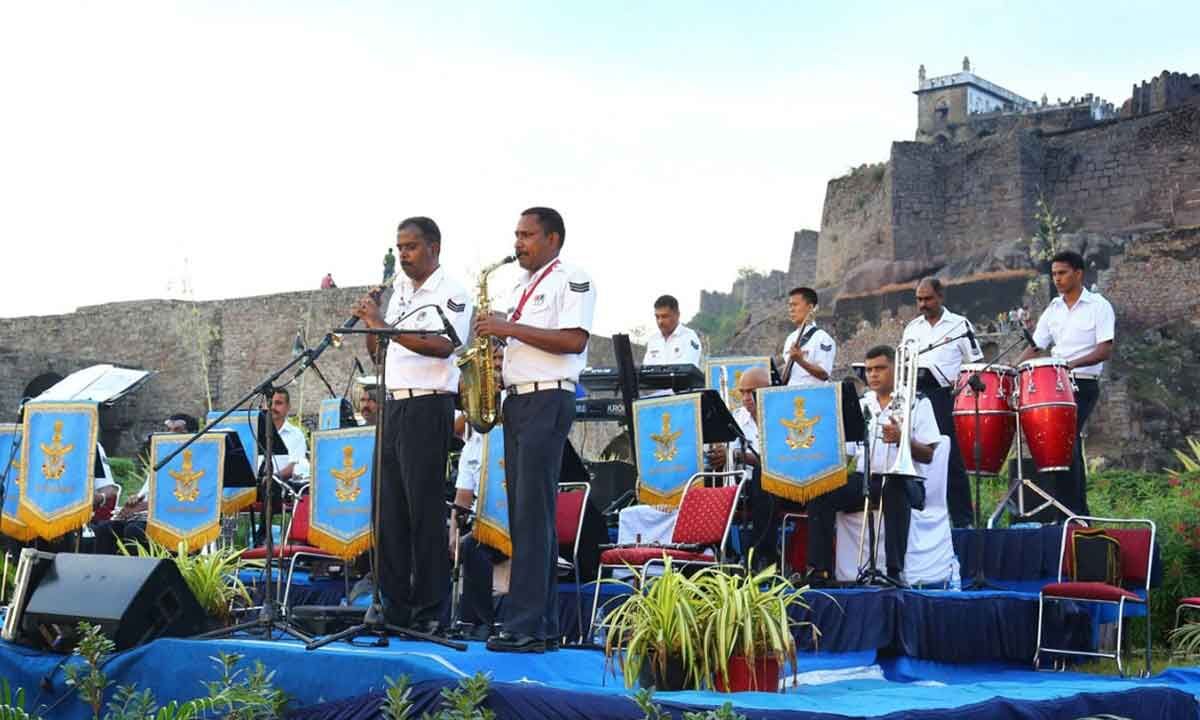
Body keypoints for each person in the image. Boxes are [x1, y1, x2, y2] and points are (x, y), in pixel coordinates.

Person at [473, 206, 595, 653]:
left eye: (527, 235)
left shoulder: (572, 278)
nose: (517, 243)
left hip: (548, 397)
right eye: (517, 234)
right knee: (523, 514)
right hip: (519, 400)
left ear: (552, 239)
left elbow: (574, 340)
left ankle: (525, 622)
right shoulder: (521, 285)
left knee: (533, 513)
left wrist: (509, 327)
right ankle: (540, 624)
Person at [352, 216, 472, 634]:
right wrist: (372, 322)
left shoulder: (451, 291)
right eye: (400, 247)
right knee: (388, 512)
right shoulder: (400, 291)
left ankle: (430, 612)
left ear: (433, 247)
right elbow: (379, 354)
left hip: (428, 405)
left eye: (411, 246)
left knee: (423, 511)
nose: (404, 255)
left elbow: (443, 345)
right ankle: (394, 606)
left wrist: (384, 326)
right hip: (393, 404)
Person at [804, 346, 940, 586]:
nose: (873, 375)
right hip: (866, 478)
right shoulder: (861, 404)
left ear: (895, 369)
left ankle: (894, 572)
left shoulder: (917, 402)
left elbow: (928, 455)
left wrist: (902, 439)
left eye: (880, 368)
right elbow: (847, 453)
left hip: (907, 481)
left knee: (894, 487)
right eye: (868, 370)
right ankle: (820, 571)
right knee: (821, 491)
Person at [1018, 250, 1114, 517]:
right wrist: (1012, 370)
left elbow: (1105, 349)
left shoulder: (1099, 306)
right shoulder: (1054, 308)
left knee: (1065, 442)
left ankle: (1074, 513)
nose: (1057, 279)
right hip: (1053, 385)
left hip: (1082, 384)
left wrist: (1069, 365)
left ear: (1078, 273)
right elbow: (1036, 346)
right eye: (1054, 274)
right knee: (1055, 446)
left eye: (1062, 273)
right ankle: (1065, 513)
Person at [901, 277, 981, 528]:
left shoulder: (959, 325)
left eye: (927, 299)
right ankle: (919, 515)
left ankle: (962, 520)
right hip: (915, 397)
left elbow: (975, 364)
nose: (922, 304)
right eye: (919, 300)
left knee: (950, 456)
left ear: (940, 297)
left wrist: (961, 384)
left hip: (946, 398)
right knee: (914, 455)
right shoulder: (912, 328)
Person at [707, 366, 780, 569]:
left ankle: (760, 555)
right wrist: (719, 456)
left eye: (752, 392)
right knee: (708, 479)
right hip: (741, 482)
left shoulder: (780, 417)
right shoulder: (736, 418)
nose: (747, 398)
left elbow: (777, 460)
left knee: (761, 477)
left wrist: (739, 455)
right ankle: (715, 552)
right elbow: (727, 453)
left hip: (775, 483)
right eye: (743, 392)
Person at [96, 413, 200, 554]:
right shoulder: (162, 461)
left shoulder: (198, 463)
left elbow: (185, 500)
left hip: (175, 519)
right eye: (169, 430)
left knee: (134, 530)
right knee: (104, 529)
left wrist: (146, 507)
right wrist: (133, 503)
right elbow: (144, 496)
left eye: (178, 430)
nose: (171, 435)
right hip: (147, 517)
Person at [780, 287, 835, 387]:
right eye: (790, 305)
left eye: (795, 305)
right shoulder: (790, 338)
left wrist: (800, 360)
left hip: (812, 393)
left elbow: (824, 374)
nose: (791, 309)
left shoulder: (822, 338)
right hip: (790, 393)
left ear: (810, 307)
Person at [642, 295, 702, 367]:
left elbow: (687, 369)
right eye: (657, 317)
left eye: (664, 316)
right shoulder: (653, 340)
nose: (660, 321)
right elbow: (646, 368)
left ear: (677, 315)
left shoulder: (689, 337)